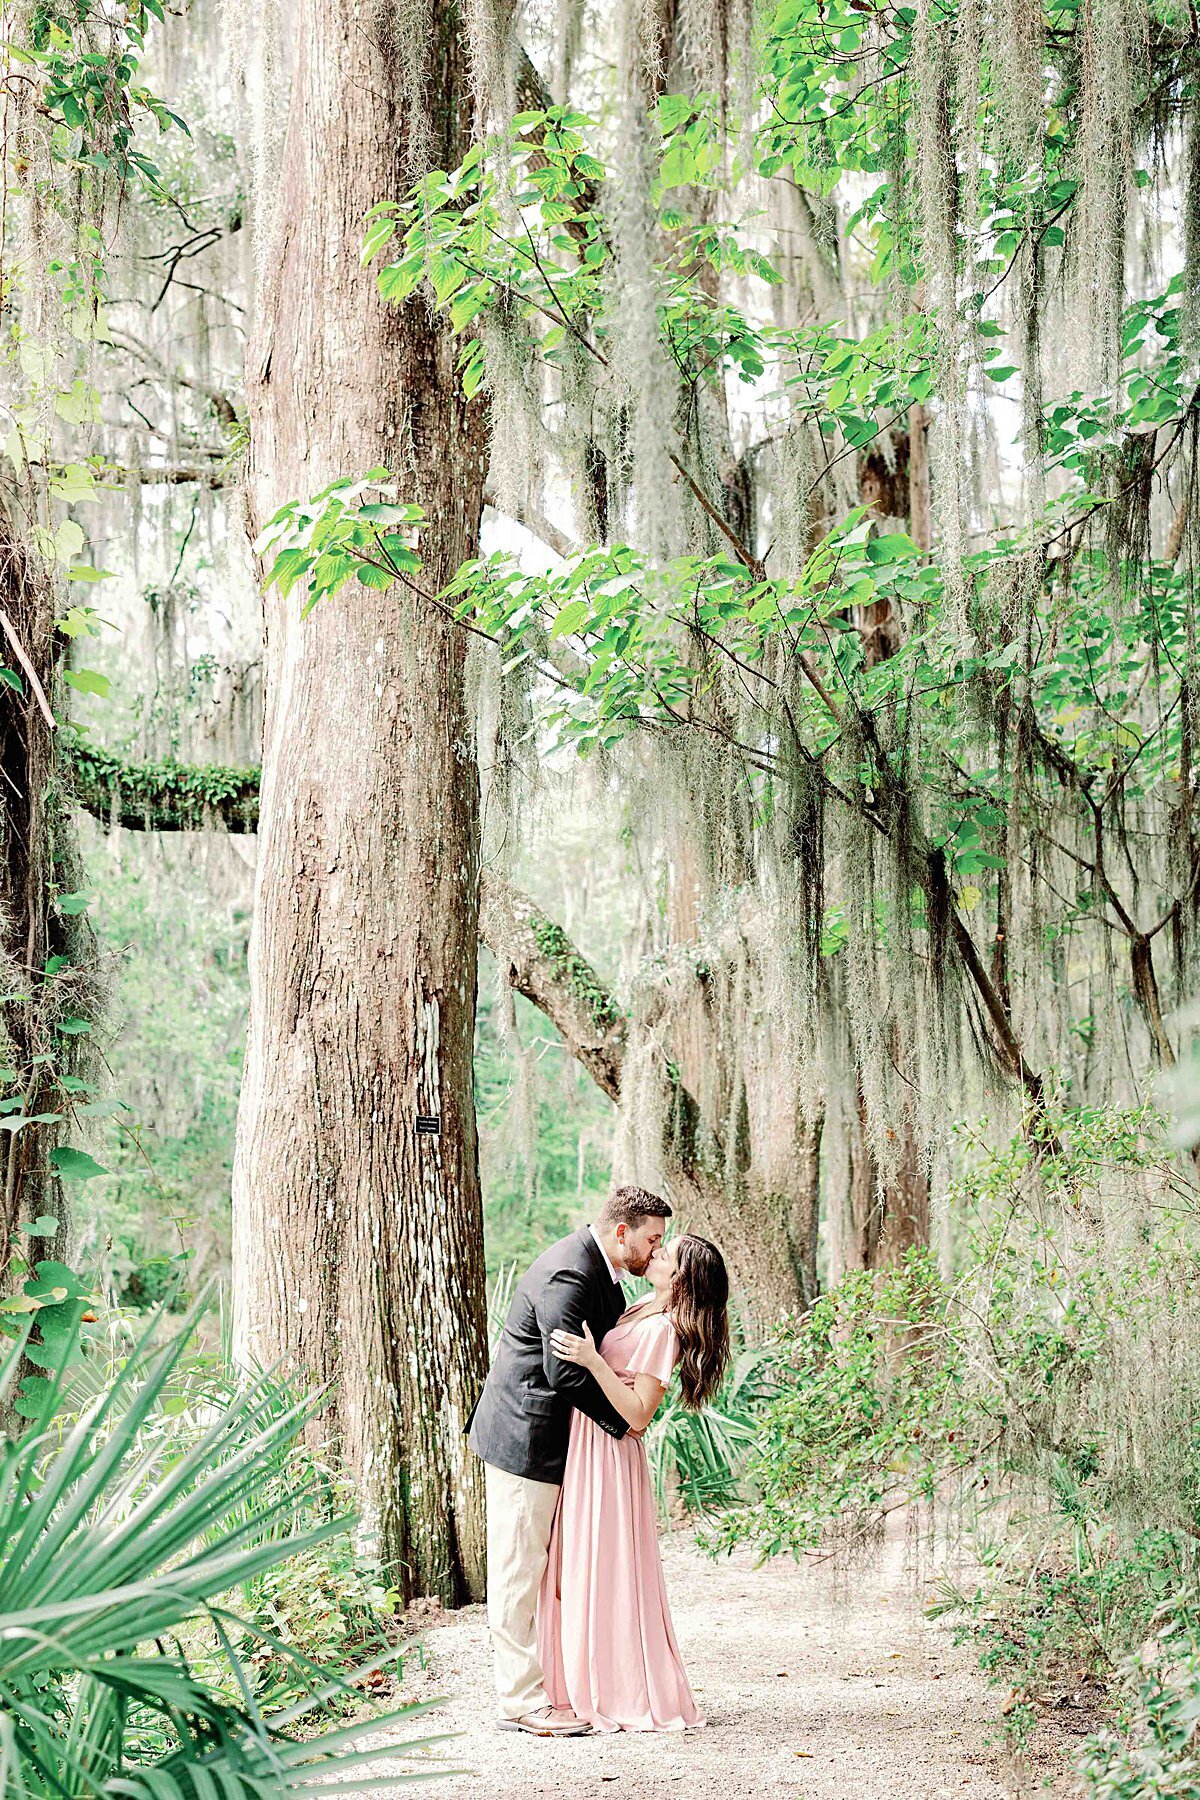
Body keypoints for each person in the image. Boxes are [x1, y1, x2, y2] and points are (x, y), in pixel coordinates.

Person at [467, 1184, 672, 1736]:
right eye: (653, 1240)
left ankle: (560, 1685)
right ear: (621, 1231)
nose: (656, 1252)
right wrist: (623, 1425)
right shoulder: (571, 1273)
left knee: (549, 1571)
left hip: (564, 1448)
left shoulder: (605, 1275)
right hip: (525, 1440)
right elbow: (562, 1372)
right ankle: (519, 1701)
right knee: (517, 1570)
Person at [541, 1232, 730, 1732]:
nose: (656, 1253)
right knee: (578, 1563)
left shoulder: (663, 1331)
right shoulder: (641, 1305)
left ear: (681, 1277)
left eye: (666, 1254)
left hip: (609, 1452)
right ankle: (572, 1681)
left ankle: (618, 1689)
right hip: (585, 1442)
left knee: (605, 1567)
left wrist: (591, 1360)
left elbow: (638, 1415)